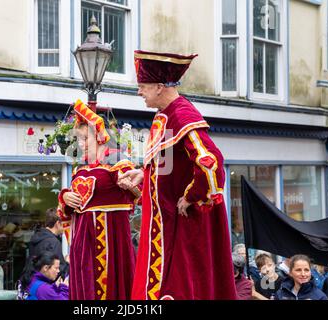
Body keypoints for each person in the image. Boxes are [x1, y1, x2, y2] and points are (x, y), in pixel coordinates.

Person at [118, 50, 236, 300]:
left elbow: (210, 161)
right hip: (163, 224)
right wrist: (144, 173)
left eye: (143, 86)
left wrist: (192, 196)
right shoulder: (166, 115)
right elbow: (170, 161)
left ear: (160, 87)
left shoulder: (182, 115)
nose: (139, 92)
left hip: (179, 225)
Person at [57, 100, 139, 300]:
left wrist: (131, 186)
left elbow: (140, 189)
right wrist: (65, 197)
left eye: (85, 138)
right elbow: (66, 211)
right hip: (82, 247)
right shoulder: (79, 170)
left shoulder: (117, 162)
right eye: (78, 139)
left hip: (109, 243)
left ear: (101, 137)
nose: (81, 144)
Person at [28, 208, 69, 279]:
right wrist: (67, 263)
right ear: (58, 223)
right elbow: (58, 271)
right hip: (47, 284)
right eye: (65, 223)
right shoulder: (54, 242)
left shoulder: (36, 237)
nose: (67, 227)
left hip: (34, 281)